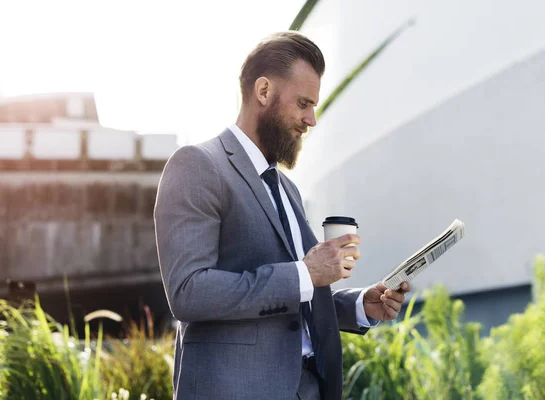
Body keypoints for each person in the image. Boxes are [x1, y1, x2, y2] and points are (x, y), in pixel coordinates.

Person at [154, 31, 410, 400]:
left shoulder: (286, 189)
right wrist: (305, 273)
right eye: (303, 104)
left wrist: (359, 304)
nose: (312, 120)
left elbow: (293, 302)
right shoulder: (197, 166)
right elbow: (188, 292)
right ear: (263, 92)